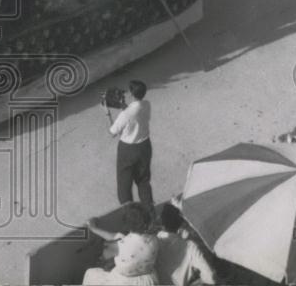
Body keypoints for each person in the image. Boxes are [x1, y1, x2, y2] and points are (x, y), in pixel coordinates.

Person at [84, 202, 160, 286]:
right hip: (147, 281)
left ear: (127, 224)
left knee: (91, 273)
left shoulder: (119, 243)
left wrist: (93, 228)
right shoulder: (154, 239)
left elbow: (107, 250)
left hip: (124, 282)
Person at [107, 80, 153, 209]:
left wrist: (107, 113)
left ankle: (131, 217)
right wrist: (124, 107)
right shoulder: (146, 104)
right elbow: (134, 111)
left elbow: (112, 132)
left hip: (128, 150)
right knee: (143, 181)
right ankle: (151, 214)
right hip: (145, 146)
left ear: (132, 94)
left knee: (124, 185)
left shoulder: (125, 114)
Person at [155, 204, 216, 286]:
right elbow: (210, 277)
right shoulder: (190, 246)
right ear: (180, 224)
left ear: (162, 223)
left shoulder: (153, 244)